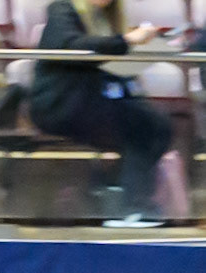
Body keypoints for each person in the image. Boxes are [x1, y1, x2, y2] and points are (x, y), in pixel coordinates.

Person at [29, 0, 171, 227]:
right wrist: (125, 41)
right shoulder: (62, 9)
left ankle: (127, 202)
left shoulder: (103, 19)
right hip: (61, 104)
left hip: (94, 101)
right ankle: (130, 206)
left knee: (157, 124)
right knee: (144, 124)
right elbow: (71, 45)